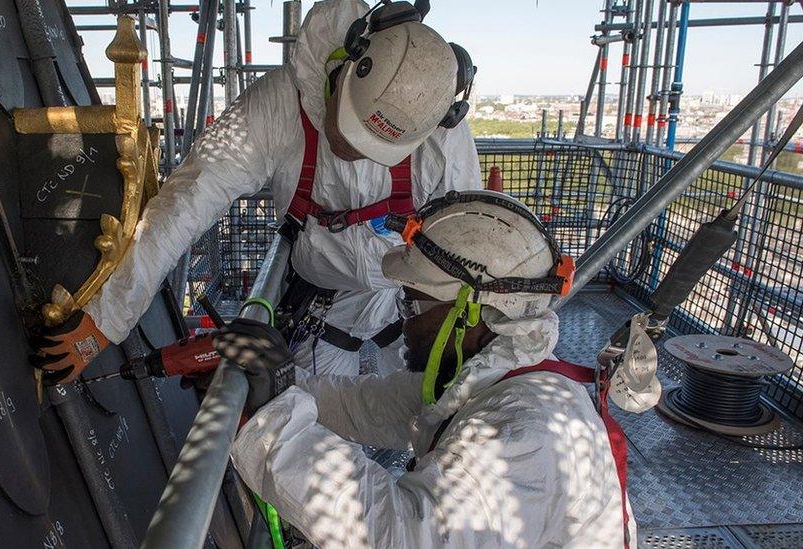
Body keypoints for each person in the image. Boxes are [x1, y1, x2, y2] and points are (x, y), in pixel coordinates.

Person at [32, 0, 481, 383]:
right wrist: (107, 319)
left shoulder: (435, 123)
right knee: (315, 425)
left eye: (377, 147)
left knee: (415, 411)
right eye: (347, 131)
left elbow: (466, 251)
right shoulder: (279, 105)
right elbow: (191, 199)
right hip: (320, 304)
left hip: (399, 299)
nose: (353, 152)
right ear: (346, 69)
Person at [216, 190, 636, 548]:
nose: (405, 324)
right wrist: (274, 382)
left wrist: (274, 420)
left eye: (412, 305)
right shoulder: (492, 379)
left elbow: (398, 534)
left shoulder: (523, 434)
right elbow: (363, 406)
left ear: (470, 315)